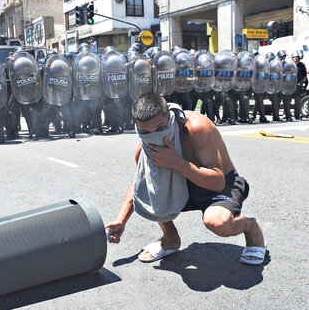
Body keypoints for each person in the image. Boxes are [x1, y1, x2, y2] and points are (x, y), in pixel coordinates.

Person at [105, 92, 266, 265]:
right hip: (181, 183)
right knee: (154, 190)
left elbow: (218, 182)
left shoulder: (196, 128)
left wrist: (177, 163)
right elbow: (141, 183)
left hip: (219, 182)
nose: (155, 135)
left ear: (169, 117)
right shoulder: (145, 145)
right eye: (145, 132)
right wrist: (121, 220)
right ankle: (170, 238)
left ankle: (251, 226)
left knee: (217, 222)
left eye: (160, 128)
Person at [292, 51, 306, 120]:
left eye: (297, 57)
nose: (296, 58)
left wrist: (301, 82)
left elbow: (305, 75)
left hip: (298, 85)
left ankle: (297, 115)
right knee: (287, 101)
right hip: (290, 85)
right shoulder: (290, 65)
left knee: (297, 101)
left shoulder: (302, 65)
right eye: (295, 57)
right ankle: (287, 115)